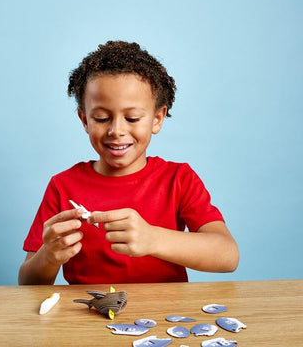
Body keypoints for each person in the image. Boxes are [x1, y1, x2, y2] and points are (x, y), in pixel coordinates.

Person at [18, 41, 239, 285]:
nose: (116, 130)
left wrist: (152, 239)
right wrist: (49, 257)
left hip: (164, 317)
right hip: (86, 318)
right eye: (101, 118)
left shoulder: (179, 179)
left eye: (132, 118)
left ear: (157, 119)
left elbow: (228, 256)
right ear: (84, 120)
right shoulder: (63, 186)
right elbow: (28, 282)